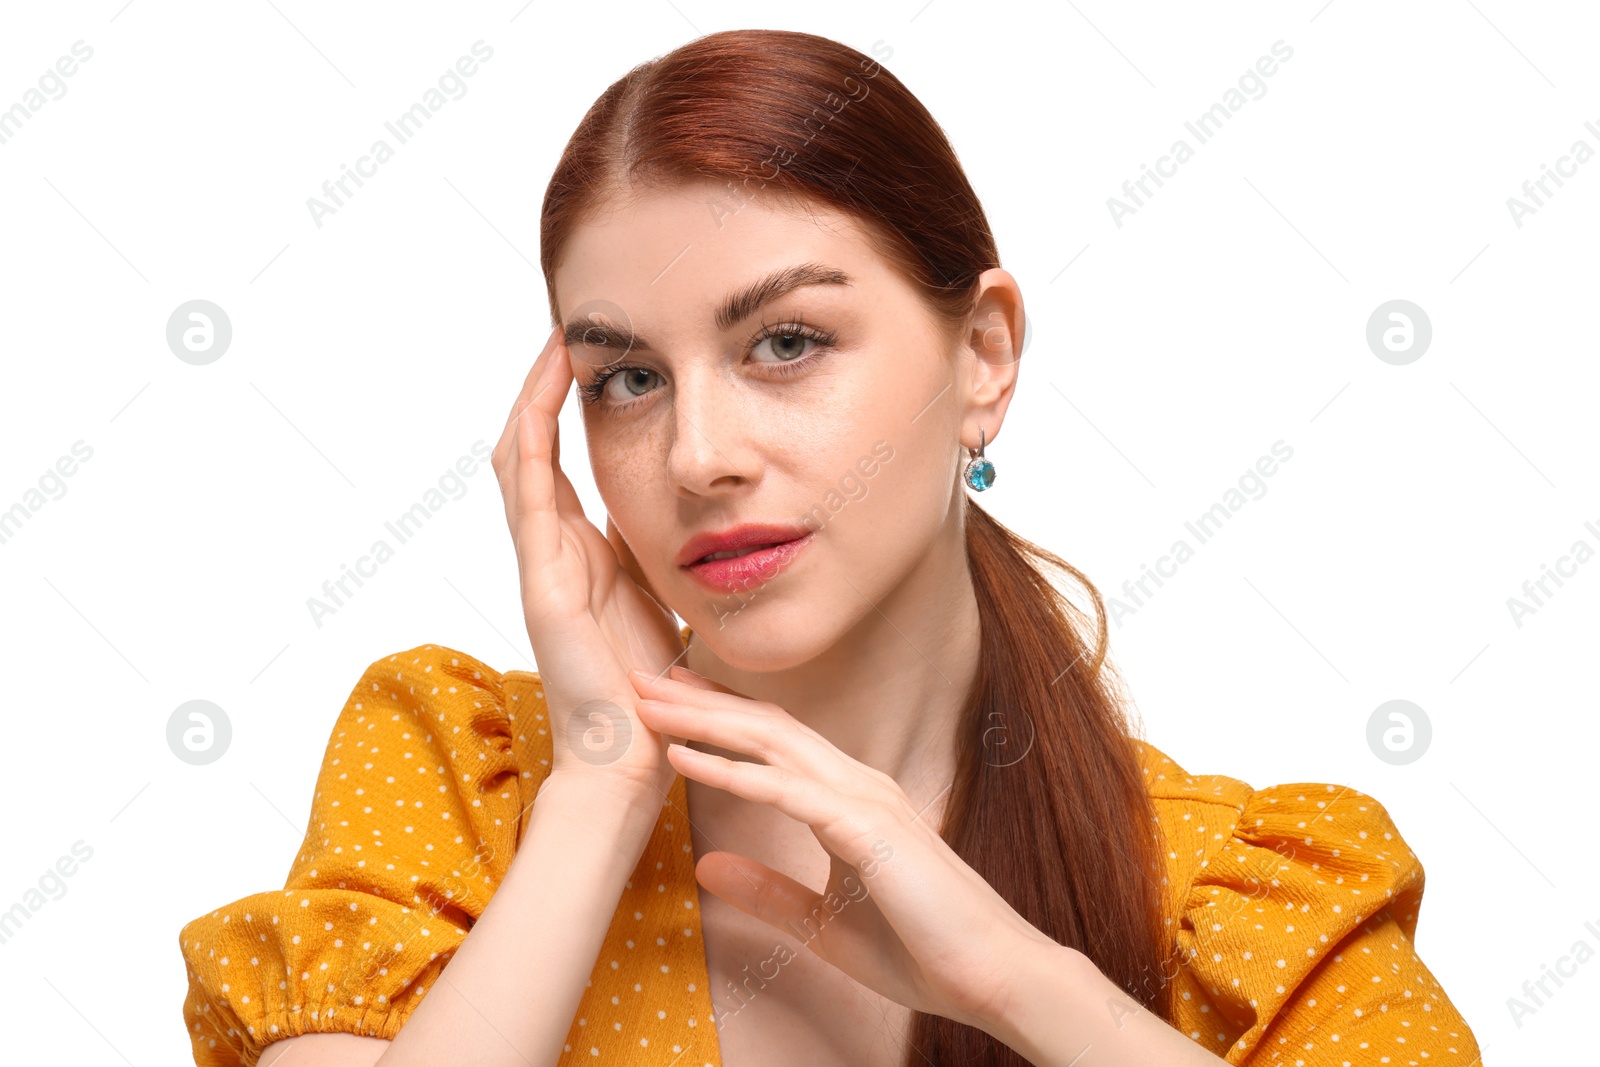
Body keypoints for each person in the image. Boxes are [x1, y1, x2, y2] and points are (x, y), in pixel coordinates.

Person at [177, 28, 1484, 1067]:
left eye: (786, 343)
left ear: (982, 359)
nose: (697, 455)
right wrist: (599, 789)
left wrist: (1018, 982)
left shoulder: (1236, 903)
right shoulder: (473, 793)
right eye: (625, 377)